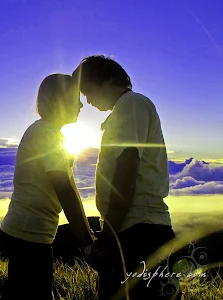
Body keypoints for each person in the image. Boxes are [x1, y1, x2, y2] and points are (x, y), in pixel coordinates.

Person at [72, 55, 182, 300]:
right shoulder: (124, 110)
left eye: (88, 90)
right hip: (137, 229)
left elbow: (126, 167)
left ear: (109, 79)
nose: (87, 100)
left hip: (139, 232)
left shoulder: (131, 105)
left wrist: (109, 234)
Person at [0, 73, 95, 300]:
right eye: (75, 98)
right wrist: (87, 243)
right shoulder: (46, 135)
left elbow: (69, 186)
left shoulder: (50, 134)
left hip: (29, 233)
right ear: (59, 99)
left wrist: (88, 235)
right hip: (28, 236)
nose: (81, 104)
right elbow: (65, 190)